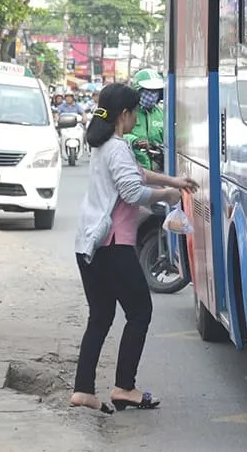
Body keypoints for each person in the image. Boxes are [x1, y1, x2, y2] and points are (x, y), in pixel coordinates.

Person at [70, 83, 198, 414]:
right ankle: (124, 387)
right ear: (124, 114)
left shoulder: (103, 146)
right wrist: (166, 197)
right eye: (134, 114)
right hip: (113, 245)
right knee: (140, 312)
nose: (135, 119)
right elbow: (131, 189)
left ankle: (83, 390)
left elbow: (138, 173)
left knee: (100, 316)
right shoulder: (116, 147)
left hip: (89, 244)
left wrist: (173, 181)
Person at [124, 69, 165, 171]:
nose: (152, 95)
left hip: (157, 171)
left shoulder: (162, 114)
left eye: (155, 91)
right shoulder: (128, 112)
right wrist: (134, 141)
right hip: (132, 169)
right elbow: (117, 134)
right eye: (148, 91)